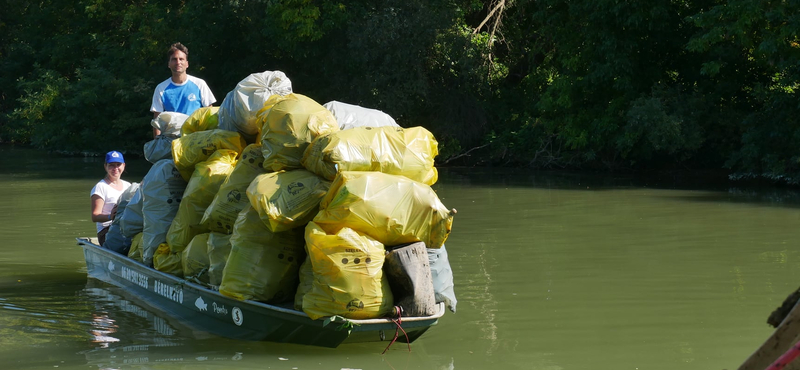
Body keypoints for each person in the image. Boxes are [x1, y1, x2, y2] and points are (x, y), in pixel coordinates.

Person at [150, 42, 216, 137]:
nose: (178, 62)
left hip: (196, 138)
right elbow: (157, 121)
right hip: (172, 141)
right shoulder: (161, 88)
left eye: (181, 59)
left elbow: (210, 113)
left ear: (187, 64)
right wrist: (157, 146)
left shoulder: (200, 84)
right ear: (169, 64)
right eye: (174, 59)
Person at [90, 151, 132, 245]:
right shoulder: (100, 187)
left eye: (118, 164)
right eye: (111, 165)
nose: (115, 168)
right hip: (106, 231)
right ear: (105, 166)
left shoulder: (128, 186)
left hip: (125, 227)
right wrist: (110, 216)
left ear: (123, 166)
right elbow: (95, 216)